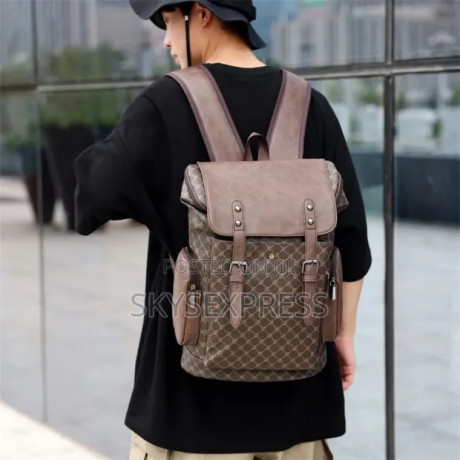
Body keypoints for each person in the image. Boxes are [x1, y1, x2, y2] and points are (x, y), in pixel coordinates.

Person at [73, 1, 372, 459]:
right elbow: (352, 244)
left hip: (191, 411)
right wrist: (343, 334)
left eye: (167, 22)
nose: (166, 41)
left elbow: (94, 196)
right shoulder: (310, 105)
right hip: (298, 402)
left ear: (201, 14)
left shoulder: (164, 103)